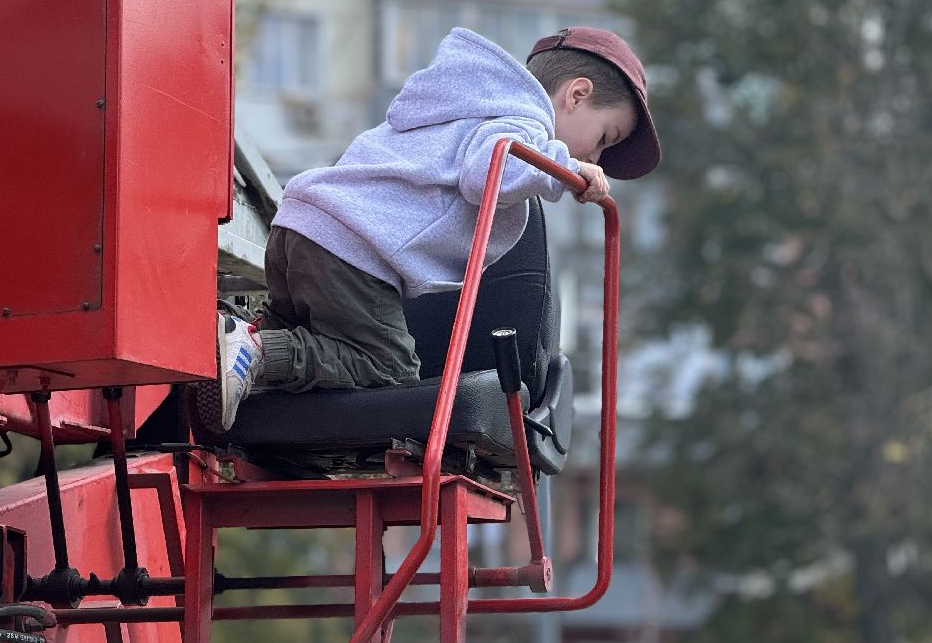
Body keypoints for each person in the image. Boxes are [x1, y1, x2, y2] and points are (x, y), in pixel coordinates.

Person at [199, 25, 661, 431]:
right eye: (604, 139)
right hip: (353, 250)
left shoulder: (464, 105)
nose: (595, 158)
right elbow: (490, 167)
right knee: (388, 366)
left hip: (302, 226)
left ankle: (231, 342)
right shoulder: (518, 120)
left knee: (306, 333)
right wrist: (568, 170)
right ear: (576, 95)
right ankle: (253, 349)